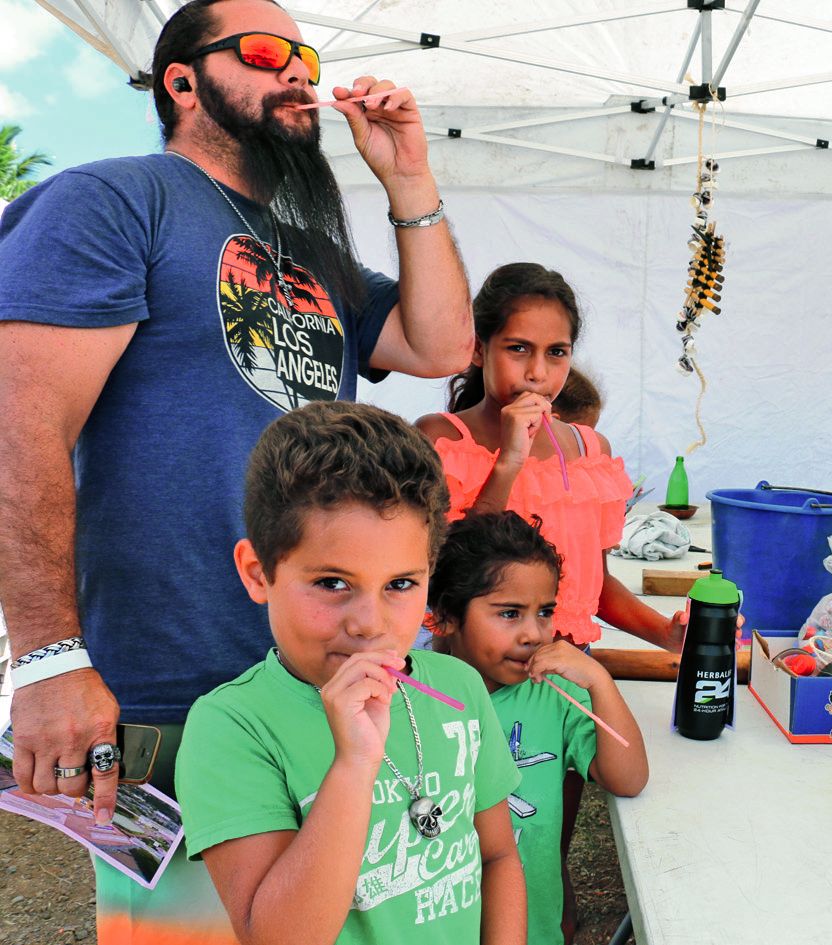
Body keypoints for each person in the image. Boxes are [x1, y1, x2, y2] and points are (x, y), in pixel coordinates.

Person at [0, 0, 472, 847]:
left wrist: (409, 178)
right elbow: (15, 427)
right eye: (262, 52)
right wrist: (47, 659)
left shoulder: (309, 247)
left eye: (306, 59)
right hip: (171, 683)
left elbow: (439, 346)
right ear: (181, 82)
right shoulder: (111, 200)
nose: (296, 71)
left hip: (315, 667)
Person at [175, 401, 524, 945]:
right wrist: (355, 764)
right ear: (257, 573)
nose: (369, 624)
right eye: (333, 583)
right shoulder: (231, 727)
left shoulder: (458, 687)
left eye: (401, 584)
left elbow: (498, 854)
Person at [416, 262, 681, 651]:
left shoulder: (591, 453)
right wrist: (508, 463)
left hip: (564, 674)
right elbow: (446, 574)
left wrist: (667, 634)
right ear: (477, 349)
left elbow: (595, 585)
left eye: (556, 352)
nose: (537, 372)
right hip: (473, 676)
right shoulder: (440, 440)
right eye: (518, 349)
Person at [428, 510, 648, 945]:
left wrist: (598, 681)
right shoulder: (417, 699)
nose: (533, 633)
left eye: (544, 612)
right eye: (509, 613)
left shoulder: (555, 696)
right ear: (446, 617)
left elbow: (629, 778)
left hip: (532, 929)